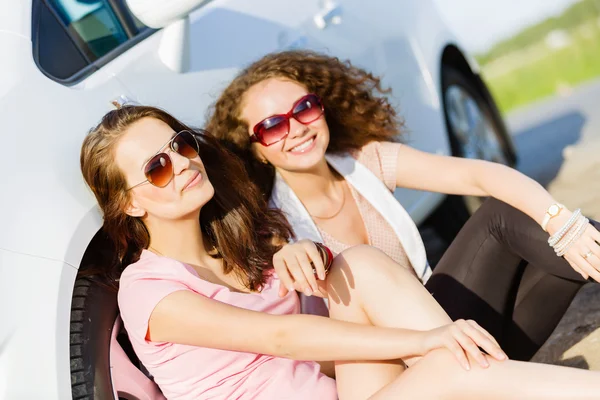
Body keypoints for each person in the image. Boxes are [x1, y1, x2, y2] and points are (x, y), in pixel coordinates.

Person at [81, 105, 600, 400]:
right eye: (157, 168)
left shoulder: (242, 249)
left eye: (183, 144)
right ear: (129, 203)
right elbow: (282, 338)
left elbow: (330, 349)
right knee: (444, 365)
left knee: (359, 265)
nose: (183, 163)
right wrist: (429, 337)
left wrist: (304, 252)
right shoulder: (149, 291)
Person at [206, 50, 600, 361]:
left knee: (562, 253)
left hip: (457, 336)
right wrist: (282, 254)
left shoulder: (366, 162)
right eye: (273, 126)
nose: (296, 129)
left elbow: (478, 176)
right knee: (498, 219)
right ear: (254, 149)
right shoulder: (271, 228)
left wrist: (563, 223)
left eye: (304, 108)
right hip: (400, 363)